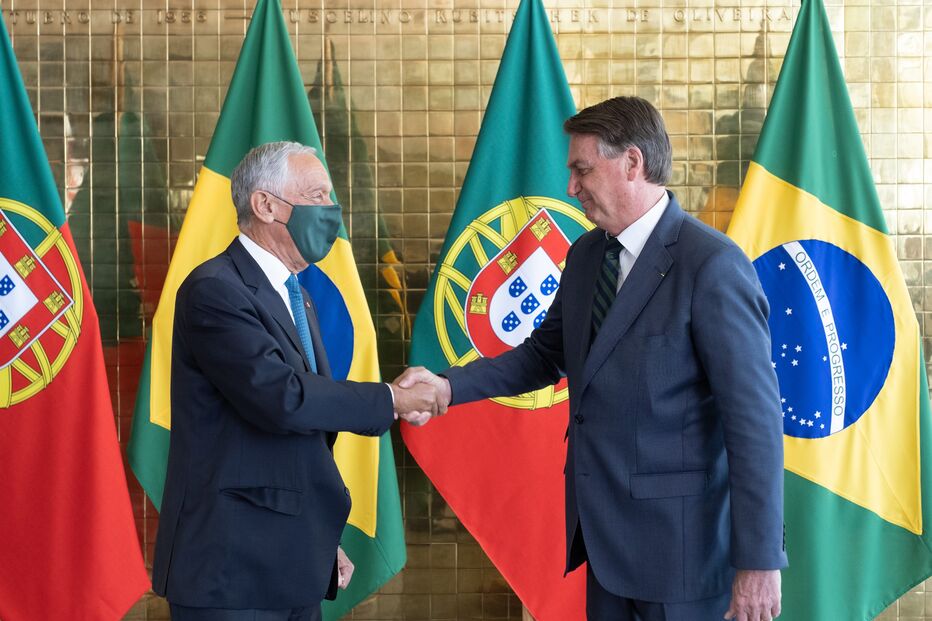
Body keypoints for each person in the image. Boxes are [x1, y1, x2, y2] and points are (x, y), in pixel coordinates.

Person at [398, 97, 787, 621]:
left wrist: (760, 561)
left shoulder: (712, 265)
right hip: (602, 548)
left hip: (683, 559)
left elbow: (754, 423)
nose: (570, 187)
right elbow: (543, 355)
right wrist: (447, 387)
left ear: (632, 163)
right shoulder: (585, 255)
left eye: (582, 170)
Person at [152, 141, 441, 621]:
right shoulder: (216, 290)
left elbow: (301, 439)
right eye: (317, 196)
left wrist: (316, 541)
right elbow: (283, 399)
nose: (331, 210)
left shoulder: (296, 295)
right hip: (232, 574)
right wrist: (393, 398)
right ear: (266, 205)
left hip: (289, 560)